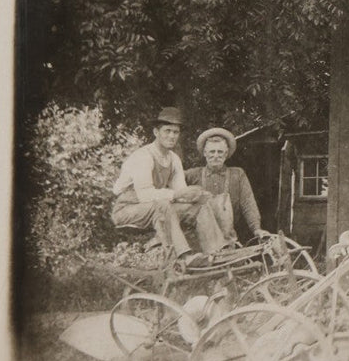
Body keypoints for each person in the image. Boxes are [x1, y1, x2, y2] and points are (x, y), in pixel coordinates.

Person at [110, 107, 230, 262]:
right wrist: (177, 195)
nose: (172, 136)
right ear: (156, 132)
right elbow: (145, 194)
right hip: (127, 209)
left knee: (200, 205)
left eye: (176, 132)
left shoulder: (173, 159)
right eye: (167, 131)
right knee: (163, 205)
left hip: (158, 208)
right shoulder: (143, 156)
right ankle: (184, 256)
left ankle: (216, 253)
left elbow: (180, 192)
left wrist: (195, 195)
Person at [185, 127, 262, 246]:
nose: (216, 155)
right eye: (212, 151)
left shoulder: (237, 175)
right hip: (198, 242)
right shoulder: (192, 175)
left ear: (226, 154)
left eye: (220, 152)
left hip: (228, 241)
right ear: (205, 153)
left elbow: (248, 203)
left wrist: (256, 228)